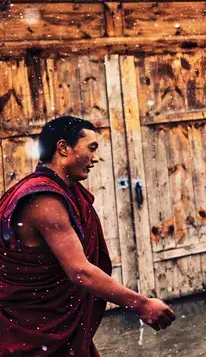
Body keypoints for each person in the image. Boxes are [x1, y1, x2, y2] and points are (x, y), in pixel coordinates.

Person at [0, 116, 175, 356]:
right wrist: (142, 304)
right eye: (91, 148)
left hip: (53, 324)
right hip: (32, 329)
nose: (95, 158)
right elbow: (79, 271)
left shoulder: (66, 191)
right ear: (63, 148)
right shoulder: (43, 199)